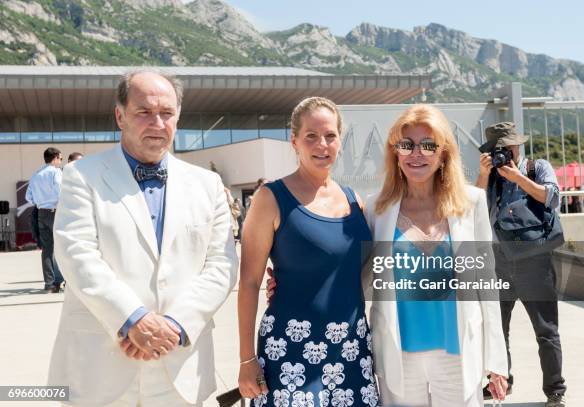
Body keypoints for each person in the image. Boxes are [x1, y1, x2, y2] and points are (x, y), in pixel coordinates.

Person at [48, 70, 239, 406]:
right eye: (144, 112)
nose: (157, 122)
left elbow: (222, 265)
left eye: (166, 113)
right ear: (120, 116)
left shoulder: (208, 185)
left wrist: (176, 325)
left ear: (177, 118)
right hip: (103, 366)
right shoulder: (81, 177)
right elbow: (76, 254)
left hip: (180, 364)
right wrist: (132, 318)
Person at [238, 97, 379, 407]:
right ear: (294, 141)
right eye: (311, 136)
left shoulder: (356, 201)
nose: (322, 144)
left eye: (330, 135)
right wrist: (246, 360)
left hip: (352, 350)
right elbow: (249, 283)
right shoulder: (270, 198)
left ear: (340, 140)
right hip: (289, 352)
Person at [364, 105, 508, 407]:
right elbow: (356, 275)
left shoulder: (472, 203)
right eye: (407, 145)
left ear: (444, 154)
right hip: (398, 355)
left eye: (428, 145)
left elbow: (487, 281)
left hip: (457, 353)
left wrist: (497, 359)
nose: (417, 153)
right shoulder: (375, 208)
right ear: (396, 153)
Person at [476, 122, 566, 407]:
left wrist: (518, 178)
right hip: (499, 260)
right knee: (497, 329)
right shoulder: (490, 177)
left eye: (507, 148)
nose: (504, 154)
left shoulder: (536, 168)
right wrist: (483, 174)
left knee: (546, 330)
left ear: (518, 146)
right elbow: (472, 206)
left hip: (535, 260)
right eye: (497, 150)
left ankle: (555, 391)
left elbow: (552, 197)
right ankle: (502, 383)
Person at [25, 147, 64, 293]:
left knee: (47, 250)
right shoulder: (56, 172)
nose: (60, 161)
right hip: (55, 212)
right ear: (54, 158)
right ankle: (59, 281)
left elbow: (28, 197)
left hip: (41, 213)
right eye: (60, 158)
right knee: (60, 247)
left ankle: (49, 284)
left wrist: (40, 201)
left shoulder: (36, 174)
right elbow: (60, 192)